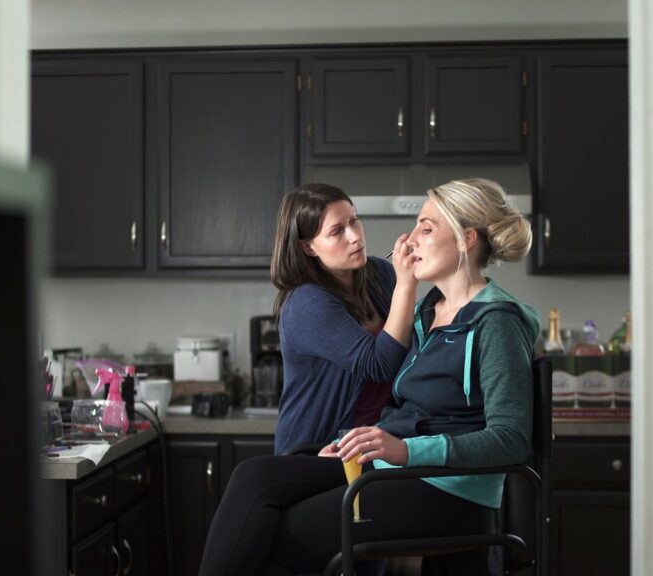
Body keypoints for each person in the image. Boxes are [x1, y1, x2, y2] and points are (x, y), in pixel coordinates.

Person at [198, 178, 539, 576]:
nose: (408, 241)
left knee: (274, 536)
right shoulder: (430, 311)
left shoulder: (495, 321)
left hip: (446, 486)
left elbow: (511, 440)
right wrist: (355, 440)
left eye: (425, 229)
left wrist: (406, 450)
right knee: (252, 476)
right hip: (398, 469)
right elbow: (407, 402)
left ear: (466, 239)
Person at [270, 183, 418, 455]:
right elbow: (380, 364)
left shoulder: (382, 274)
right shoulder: (306, 303)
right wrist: (407, 284)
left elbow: (411, 348)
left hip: (371, 446)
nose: (355, 236)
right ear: (308, 248)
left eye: (354, 220)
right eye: (337, 231)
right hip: (314, 451)